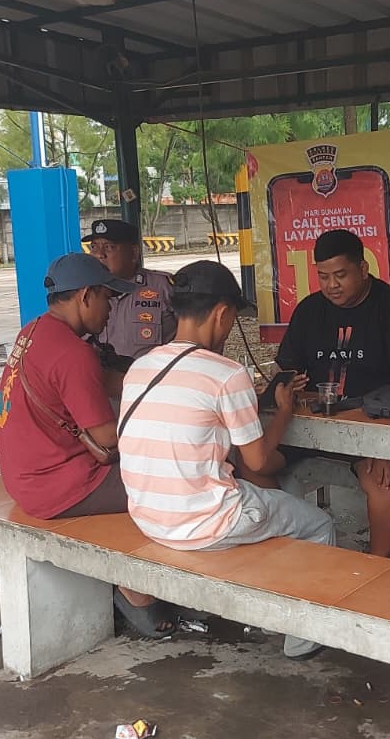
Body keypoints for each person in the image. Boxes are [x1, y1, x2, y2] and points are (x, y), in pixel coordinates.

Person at [117, 260, 336, 659]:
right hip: (206, 524)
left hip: (149, 517)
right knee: (320, 525)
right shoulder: (227, 374)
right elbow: (259, 461)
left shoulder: (140, 367)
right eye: (233, 316)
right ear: (221, 313)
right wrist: (284, 412)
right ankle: (304, 637)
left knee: (282, 497)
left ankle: (275, 601)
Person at [0, 252, 175, 637]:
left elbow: (104, 381)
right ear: (86, 296)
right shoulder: (72, 353)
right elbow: (107, 437)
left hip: (22, 477)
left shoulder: (34, 331)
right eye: (107, 298)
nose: (111, 309)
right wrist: (170, 429)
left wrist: (161, 380)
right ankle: (135, 589)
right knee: (172, 483)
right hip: (60, 486)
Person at [274, 229, 390, 556]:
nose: (332, 285)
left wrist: (387, 445)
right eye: (324, 276)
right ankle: (282, 555)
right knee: (254, 463)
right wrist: (285, 385)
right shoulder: (309, 310)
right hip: (312, 425)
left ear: (363, 268)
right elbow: (285, 370)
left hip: (372, 428)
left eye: (341, 275)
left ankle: (373, 569)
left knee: (388, 485)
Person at [81, 218, 176, 359]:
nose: (100, 254)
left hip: (152, 372)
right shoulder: (85, 292)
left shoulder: (163, 287)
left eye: (109, 247)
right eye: (94, 247)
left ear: (134, 253)